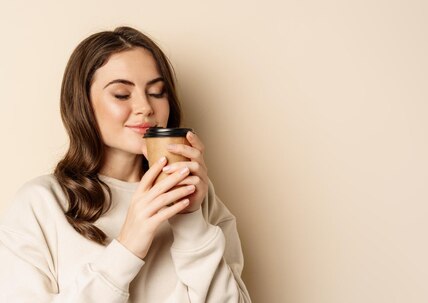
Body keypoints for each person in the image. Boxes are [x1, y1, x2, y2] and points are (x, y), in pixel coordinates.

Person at [0, 26, 252, 302]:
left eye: (157, 92)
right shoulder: (41, 204)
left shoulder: (200, 196)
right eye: (122, 94)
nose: (145, 107)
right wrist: (128, 247)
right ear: (82, 104)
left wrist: (189, 220)